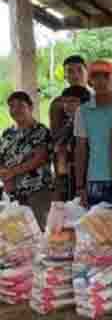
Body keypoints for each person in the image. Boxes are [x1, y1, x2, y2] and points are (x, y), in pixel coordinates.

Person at [75, 60, 112, 218]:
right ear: (90, 82)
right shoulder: (82, 111)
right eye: (95, 77)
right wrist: (80, 186)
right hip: (95, 179)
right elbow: (81, 149)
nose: (101, 81)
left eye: (106, 76)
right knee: (98, 228)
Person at [1, 92, 53, 227]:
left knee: (41, 230)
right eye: (12, 106)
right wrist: (5, 178)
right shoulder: (7, 133)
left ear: (30, 107)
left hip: (37, 191)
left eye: (20, 106)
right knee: (18, 233)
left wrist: (12, 172)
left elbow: (39, 158)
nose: (15, 110)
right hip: (13, 193)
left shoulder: (41, 131)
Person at [53, 85, 90, 202]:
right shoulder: (66, 125)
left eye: (72, 101)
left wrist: (81, 185)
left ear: (85, 103)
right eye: (65, 102)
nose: (67, 105)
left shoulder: (90, 125)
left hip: (84, 181)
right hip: (67, 182)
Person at [49, 55, 89, 145]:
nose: (76, 76)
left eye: (80, 70)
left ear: (87, 72)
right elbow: (55, 137)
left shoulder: (97, 99)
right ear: (65, 76)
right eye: (70, 71)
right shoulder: (58, 104)